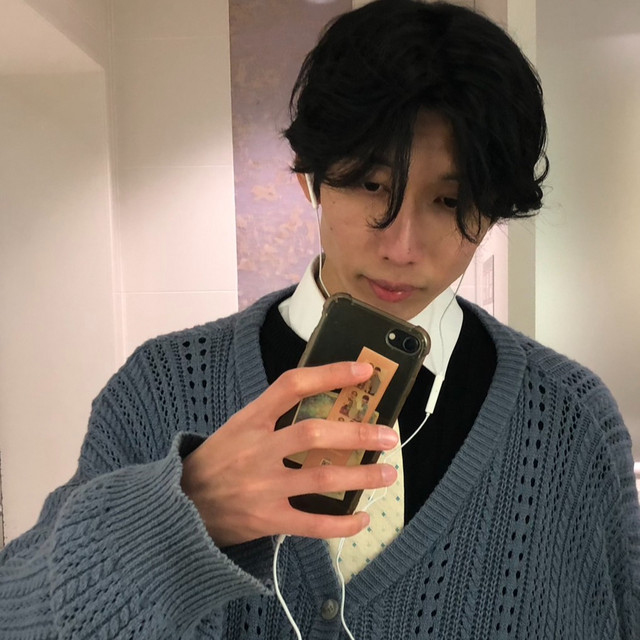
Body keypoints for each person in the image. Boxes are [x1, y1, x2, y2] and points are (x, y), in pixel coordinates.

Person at [1, 1, 638, 638]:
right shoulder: (159, 389)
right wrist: (179, 517)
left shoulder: (570, 422)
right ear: (311, 176)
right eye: (370, 184)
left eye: (450, 200)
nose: (402, 246)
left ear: (493, 209)